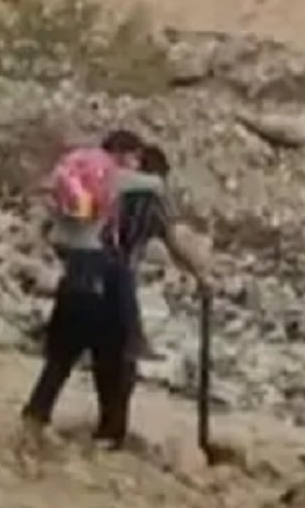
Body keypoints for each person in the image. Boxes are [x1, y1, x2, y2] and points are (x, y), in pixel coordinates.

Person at [21, 136, 213, 452]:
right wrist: (203, 276)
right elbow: (177, 239)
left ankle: (32, 424)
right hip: (114, 282)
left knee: (59, 360)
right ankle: (108, 439)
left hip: (77, 277)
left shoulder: (88, 183)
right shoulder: (150, 192)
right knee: (118, 366)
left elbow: (47, 225)